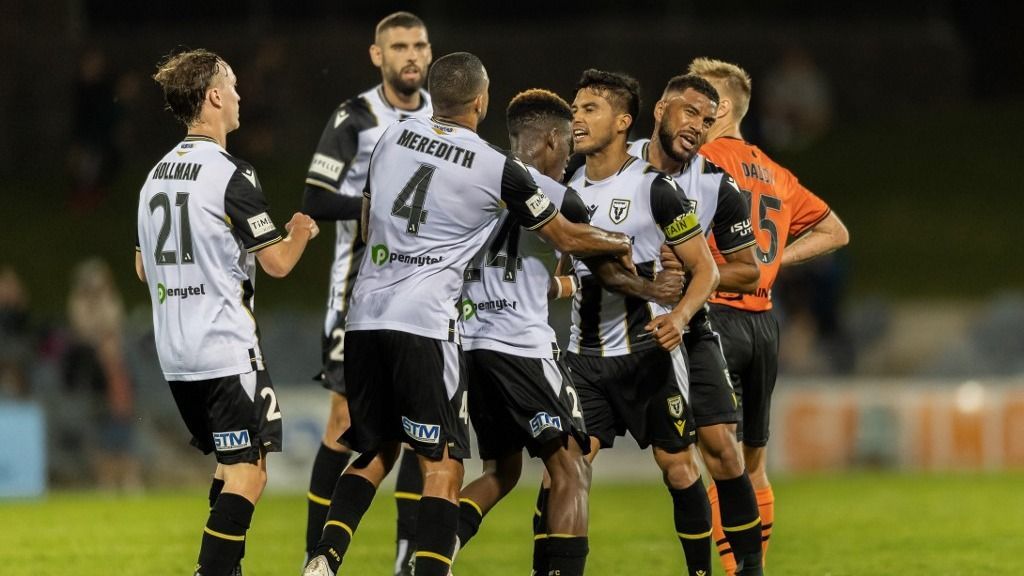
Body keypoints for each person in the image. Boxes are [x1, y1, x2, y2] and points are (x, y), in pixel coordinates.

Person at [302, 52, 634, 576]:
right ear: (481, 100)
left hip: (366, 313)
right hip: (433, 325)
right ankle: (431, 567)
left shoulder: (392, 136)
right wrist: (624, 243)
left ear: (435, 94)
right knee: (446, 468)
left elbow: (367, 215)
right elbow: (568, 234)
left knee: (375, 449)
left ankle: (325, 555)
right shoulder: (497, 168)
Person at [451, 88, 684, 576]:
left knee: (501, 472)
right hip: (521, 348)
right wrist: (650, 283)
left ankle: (431, 553)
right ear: (554, 140)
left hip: (468, 346)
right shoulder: (561, 198)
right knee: (571, 466)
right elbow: (606, 273)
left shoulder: (471, 184)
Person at [534, 68, 727, 576]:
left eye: (588, 109)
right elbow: (570, 274)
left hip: (648, 356)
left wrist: (681, 318)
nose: (576, 118)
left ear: (622, 122)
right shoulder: (565, 189)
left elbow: (704, 270)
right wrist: (543, 289)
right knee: (563, 471)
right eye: (574, 109)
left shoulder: (656, 189)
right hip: (586, 361)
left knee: (680, 467)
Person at [136, 48, 319, 576]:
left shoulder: (154, 178)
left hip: (176, 356)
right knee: (251, 473)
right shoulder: (231, 174)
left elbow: (145, 268)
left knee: (229, 463)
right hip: (223, 346)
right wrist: (301, 231)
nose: (239, 95)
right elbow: (279, 262)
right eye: (233, 85)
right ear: (214, 96)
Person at [688, 56, 850, 574]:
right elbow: (834, 231)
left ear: (726, 106)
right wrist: (775, 259)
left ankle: (735, 569)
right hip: (763, 324)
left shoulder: (700, 159)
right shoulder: (774, 171)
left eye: (699, 99)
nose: (687, 110)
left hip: (714, 317)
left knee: (711, 462)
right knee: (753, 463)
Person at [300, 12, 433, 573]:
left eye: (420, 45)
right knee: (342, 422)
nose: (411, 55)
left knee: (421, 427)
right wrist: (374, 209)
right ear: (377, 56)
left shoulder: (444, 116)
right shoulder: (356, 117)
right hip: (357, 297)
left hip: (425, 296)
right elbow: (313, 197)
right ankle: (315, 558)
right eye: (399, 46)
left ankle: (406, 557)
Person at [629, 74, 766, 575]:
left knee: (722, 452)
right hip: (615, 331)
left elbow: (749, 269)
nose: (698, 127)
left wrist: (693, 270)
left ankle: (751, 570)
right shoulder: (609, 162)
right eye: (690, 113)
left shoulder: (714, 182)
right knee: (576, 458)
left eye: (708, 121)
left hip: (689, 329)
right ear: (661, 108)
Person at [62, 258, 142, 491]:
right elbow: (83, 328)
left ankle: (128, 479)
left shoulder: (110, 300)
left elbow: (114, 323)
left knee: (124, 429)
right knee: (99, 432)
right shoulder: (78, 302)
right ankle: (106, 480)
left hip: (115, 376)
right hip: (93, 377)